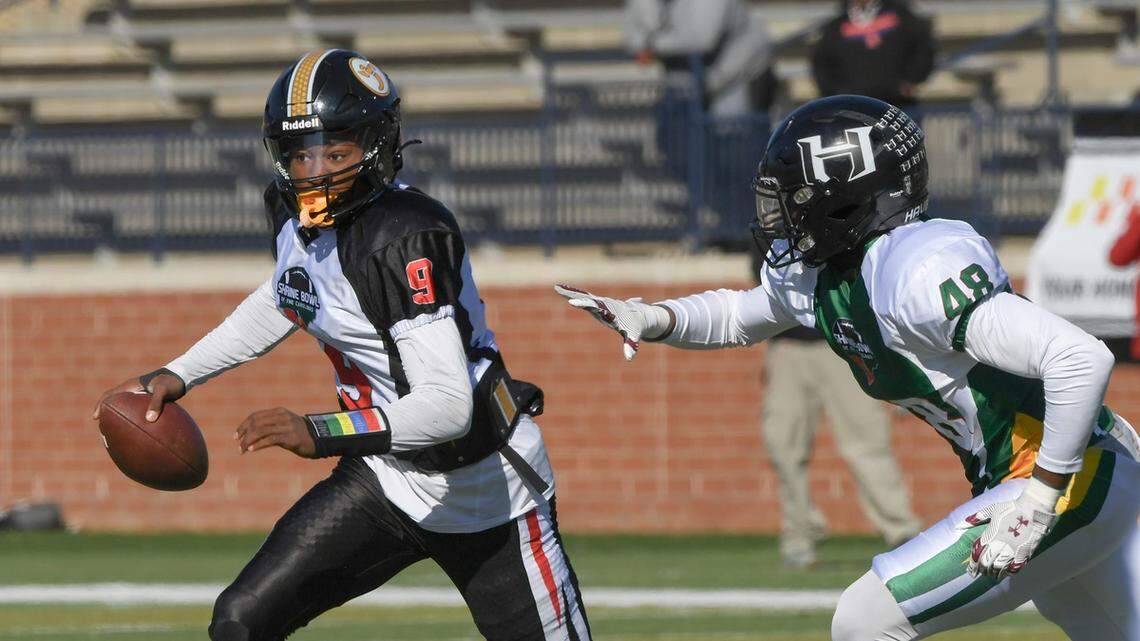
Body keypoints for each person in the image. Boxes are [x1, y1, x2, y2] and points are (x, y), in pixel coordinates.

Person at [558, 95, 1140, 640]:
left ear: (849, 197)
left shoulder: (913, 270)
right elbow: (741, 314)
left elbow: (1079, 358)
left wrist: (1039, 501)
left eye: (799, 200)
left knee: (865, 619)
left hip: (1069, 477)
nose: (784, 217)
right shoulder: (830, 274)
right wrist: (652, 318)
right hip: (1061, 476)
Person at [93, 49, 591, 641]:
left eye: (337, 151)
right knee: (240, 621)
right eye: (301, 153)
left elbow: (448, 406)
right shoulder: (293, 212)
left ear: (377, 146)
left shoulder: (402, 235)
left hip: (487, 488)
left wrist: (319, 430)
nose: (316, 170)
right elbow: (289, 295)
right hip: (385, 477)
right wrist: (178, 373)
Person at [756, 244, 921, 567]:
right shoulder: (775, 216)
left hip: (844, 340)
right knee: (782, 442)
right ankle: (799, 533)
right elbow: (761, 278)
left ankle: (902, 532)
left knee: (867, 442)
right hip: (788, 343)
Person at [811, 0, 935, 114]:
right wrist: (839, 93)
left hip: (899, 104)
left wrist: (911, 80)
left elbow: (923, 48)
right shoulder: (836, 26)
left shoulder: (900, 16)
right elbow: (822, 65)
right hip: (855, 109)